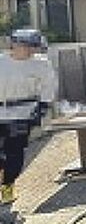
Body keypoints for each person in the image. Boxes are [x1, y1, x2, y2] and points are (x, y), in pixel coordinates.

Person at [0, 30, 55, 204]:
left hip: (22, 114)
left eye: (34, 47)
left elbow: (48, 86)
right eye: (28, 47)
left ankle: (7, 186)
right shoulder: (2, 62)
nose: (31, 51)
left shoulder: (41, 64)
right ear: (16, 45)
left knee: (14, 154)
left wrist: (43, 107)